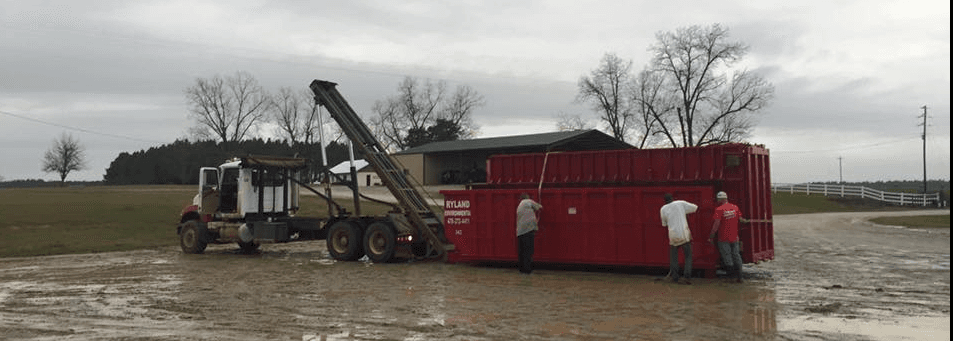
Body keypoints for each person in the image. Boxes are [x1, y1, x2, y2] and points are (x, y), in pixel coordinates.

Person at [708, 191, 749, 283]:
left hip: (723, 238)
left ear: (719, 200)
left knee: (727, 257)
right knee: (736, 256)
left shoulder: (719, 209)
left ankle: (731, 277)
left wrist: (711, 236)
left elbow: (716, 224)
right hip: (735, 238)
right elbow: (741, 219)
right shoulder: (735, 207)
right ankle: (739, 277)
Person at [659, 193, 698, 285]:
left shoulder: (663, 209)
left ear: (665, 201)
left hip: (673, 236)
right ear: (672, 198)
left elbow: (664, 224)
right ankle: (687, 277)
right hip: (684, 234)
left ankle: (675, 277)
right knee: (688, 256)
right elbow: (695, 208)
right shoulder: (680, 203)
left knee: (674, 258)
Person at [516, 193, 543, 274]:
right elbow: (539, 207)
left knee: (522, 251)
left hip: (520, 231)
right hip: (528, 230)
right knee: (528, 250)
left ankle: (521, 269)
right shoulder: (528, 201)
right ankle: (528, 270)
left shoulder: (519, 206)